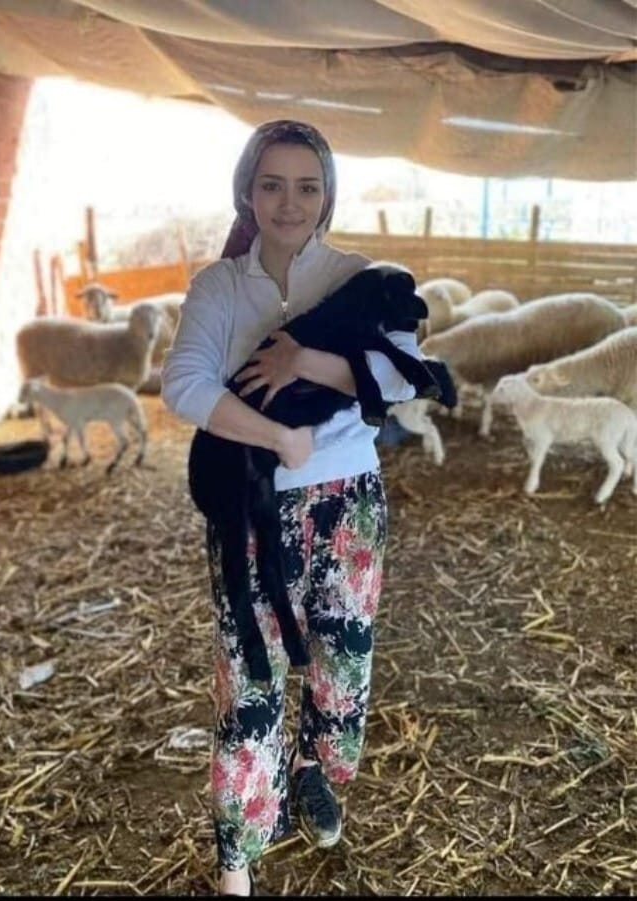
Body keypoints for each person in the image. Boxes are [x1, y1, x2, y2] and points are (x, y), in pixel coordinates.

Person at [161, 119, 423, 896]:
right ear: (247, 191)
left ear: (327, 196)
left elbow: (402, 377)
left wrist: (305, 361)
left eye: (307, 186)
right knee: (250, 670)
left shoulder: (354, 275)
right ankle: (237, 848)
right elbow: (184, 383)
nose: (289, 202)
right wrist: (279, 435)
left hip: (350, 504)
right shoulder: (219, 285)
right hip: (252, 504)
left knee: (341, 658)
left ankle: (313, 767)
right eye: (272, 184)